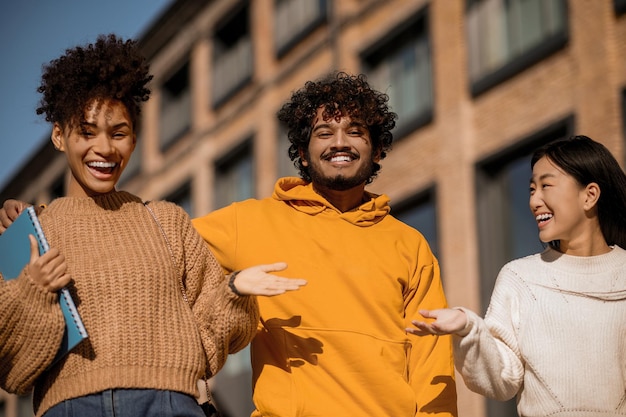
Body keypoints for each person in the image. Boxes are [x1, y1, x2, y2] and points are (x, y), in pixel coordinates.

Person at [0, 34, 305, 417]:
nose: (105, 148)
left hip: (169, 404)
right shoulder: (29, 232)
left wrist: (232, 290)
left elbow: (210, 340)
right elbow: (11, 371)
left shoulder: (165, 221)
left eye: (119, 133)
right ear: (60, 136)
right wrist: (34, 290)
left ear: (134, 139)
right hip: (70, 408)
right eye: (87, 131)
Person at [191, 72, 458, 417]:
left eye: (355, 131)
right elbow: (153, 247)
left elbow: (431, 359)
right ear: (303, 153)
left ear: (376, 150)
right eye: (324, 132)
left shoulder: (410, 245)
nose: (340, 143)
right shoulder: (249, 223)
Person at [408, 135, 626, 416]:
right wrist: (468, 328)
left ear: (590, 195)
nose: (535, 201)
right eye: (531, 189)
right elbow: (502, 380)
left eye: (546, 186)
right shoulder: (521, 278)